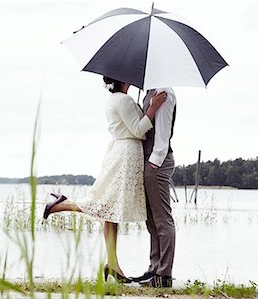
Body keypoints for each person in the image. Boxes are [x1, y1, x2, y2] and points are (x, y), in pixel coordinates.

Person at [42, 76, 167, 284]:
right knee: (106, 206)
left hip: (119, 151)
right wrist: (152, 108)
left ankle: (113, 265)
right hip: (126, 155)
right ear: (122, 80)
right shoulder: (123, 100)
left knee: (112, 211)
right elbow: (138, 130)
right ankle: (62, 204)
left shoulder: (116, 99)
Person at [131, 88, 177, 288]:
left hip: (157, 161)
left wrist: (154, 162)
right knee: (151, 220)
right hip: (148, 160)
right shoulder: (149, 92)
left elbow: (164, 130)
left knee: (162, 219)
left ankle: (164, 275)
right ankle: (154, 268)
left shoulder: (165, 92)